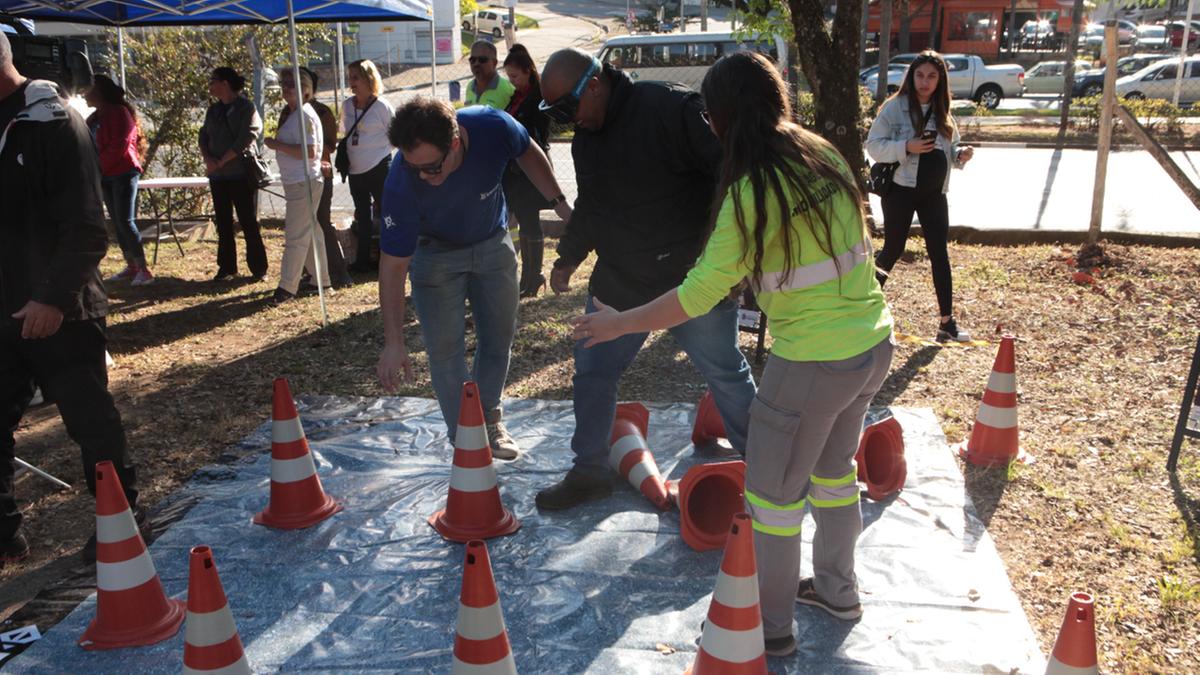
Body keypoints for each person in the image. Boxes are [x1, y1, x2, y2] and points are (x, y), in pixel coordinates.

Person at [571, 51, 895, 656]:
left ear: (719, 120)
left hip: (810, 366)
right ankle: (838, 590)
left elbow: (694, 297)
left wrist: (621, 324)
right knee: (834, 475)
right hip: (872, 348)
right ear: (776, 100)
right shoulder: (820, 153)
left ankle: (769, 629)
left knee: (772, 502)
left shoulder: (749, 194)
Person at [533, 48, 756, 511]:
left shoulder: (670, 109)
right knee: (592, 373)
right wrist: (568, 256)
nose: (566, 121)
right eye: (555, 115)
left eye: (566, 108)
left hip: (692, 281)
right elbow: (592, 203)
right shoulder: (587, 140)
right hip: (621, 282)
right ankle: (590, 470)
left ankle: (764, 463)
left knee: (726, 373)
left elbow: (731, 176)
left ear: (593, 84)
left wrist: (731, 255)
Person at [0, 31, 145, 564]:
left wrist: (52, 299)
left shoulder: (51, 119)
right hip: (3, 305)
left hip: (60, 309)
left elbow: (88, 227)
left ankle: (123, 522)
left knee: (90, 422)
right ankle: (4, 534)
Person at [376, 98, 571, 460]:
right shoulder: (402, 179)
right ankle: (466, 437)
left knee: (498, 339)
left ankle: (490, 419)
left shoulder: (490, 126)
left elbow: (527, 150)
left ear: (454, 143)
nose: (424, 177)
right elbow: (393, 265)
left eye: (432, 167)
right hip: (434, 255)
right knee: (445, 352)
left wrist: (559, 203)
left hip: (492, 244)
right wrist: (393, 341)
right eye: (414, 167)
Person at [867, 50, 975, 343]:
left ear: (940, 80)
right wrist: (907, 146)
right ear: (911, 76)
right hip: (901, 189)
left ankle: (946, 323)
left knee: (939, 252)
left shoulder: (943, 109)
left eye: (931, 76)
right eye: (919, 75)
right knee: (892, 249)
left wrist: (959, 155)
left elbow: (948, 148)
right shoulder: (895, 107)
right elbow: (874, 145)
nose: (924, 82)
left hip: (934, 193)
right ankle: (859, 314)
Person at [199, 66, 268, 282]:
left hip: (240, 174)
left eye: (214, 80)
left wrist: (222, 160)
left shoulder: (246, 107)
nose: (210, 84)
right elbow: (203, 135)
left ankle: (258, 268)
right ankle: (227, 267)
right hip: (218, 177)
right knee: (223, 222)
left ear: (226, 83)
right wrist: (209, 159)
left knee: (248, 221)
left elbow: (247, 137)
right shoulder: (214, 110)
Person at [265, 68, 328, 304]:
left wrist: (275, 144)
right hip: (299, 182)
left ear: (306, 90)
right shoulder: (295, 113)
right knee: (311, 233)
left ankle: (287, 288)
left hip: (304, 182)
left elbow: (310, 153)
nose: (288, 88)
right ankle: (321, 279)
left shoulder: (304, 115)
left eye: (294, 84)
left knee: (295, 236)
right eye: (285, 83)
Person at [85, 74, 153, 287]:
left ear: (99, 92)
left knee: (125, 221)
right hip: (105, 175)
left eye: (88, 90)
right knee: (117, 222)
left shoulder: (119, 113)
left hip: (123, 173)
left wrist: (99, 166)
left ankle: (143, 269)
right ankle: (131, 265)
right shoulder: (95, 117)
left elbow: (120, 145)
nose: (84, 94)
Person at [502, 44, 551, 298]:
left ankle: (534, 276)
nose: (512, 81)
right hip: (516, 169)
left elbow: (538, 135)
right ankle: (528, 276)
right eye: (509, 77)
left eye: (515, 76)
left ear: (528, 71)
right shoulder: (518, 96)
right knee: (524, 221)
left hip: (530, 168)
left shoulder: (537, 97)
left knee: (530, 222)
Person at [297, 66, 353, 289]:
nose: (288, 88)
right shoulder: (288, 112)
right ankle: (309, 273)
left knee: (322, 222)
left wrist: (311, 154)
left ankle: (340, 272)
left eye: (297, 83)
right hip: (296, 177)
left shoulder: (321, 112)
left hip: (320, 173)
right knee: (301, 226)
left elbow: (330, 144)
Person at [341, 59, 395, 273]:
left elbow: (395, 137)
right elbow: (346, 133)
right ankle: (362, 261)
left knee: (387, 215)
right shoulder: (347, 105)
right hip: (356, 170)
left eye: (356, 77)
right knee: (362, 216)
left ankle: (388, 259)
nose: (351, 82)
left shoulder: (382, 106)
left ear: (368, 79)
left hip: (380, 167)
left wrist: (377, 151)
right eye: (350, 77)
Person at [464, 41, 514, 109]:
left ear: (494, 63)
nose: (476, 64)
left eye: (482, 60)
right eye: (472, 60)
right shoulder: (470, 87)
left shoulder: (508, 90)